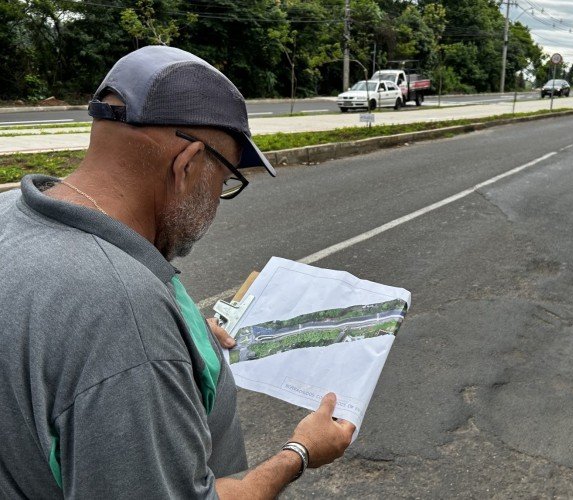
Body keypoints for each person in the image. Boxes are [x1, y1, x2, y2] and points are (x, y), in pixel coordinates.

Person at [0, 45, 355, 498]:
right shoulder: (121, 316)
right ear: (186, 166)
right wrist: (299, 453)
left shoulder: (11, 213)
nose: (217, 203)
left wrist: (178, 341)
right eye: (225, 180)